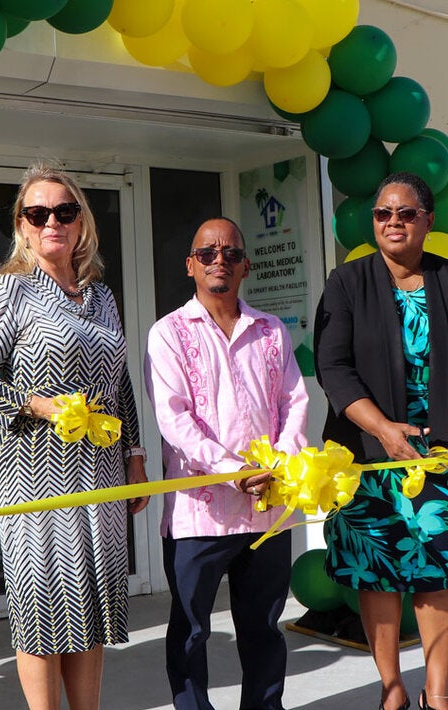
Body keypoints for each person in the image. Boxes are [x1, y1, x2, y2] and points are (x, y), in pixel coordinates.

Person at [0, 162, 148, 710]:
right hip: (36, 477)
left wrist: (134, 455)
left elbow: (121, 383)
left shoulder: (101, 296)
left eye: (64, 212)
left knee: (88, 607)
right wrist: (37, 404)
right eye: (37, 213)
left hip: (102, 471)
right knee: (45, 611)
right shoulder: (9, 291)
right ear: (21, 224)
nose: (51, 223)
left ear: (81, 221)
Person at [315, 172, 448, 710]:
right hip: (369, 454)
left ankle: (436, 691)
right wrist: (382, 430)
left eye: (406, 213)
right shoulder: (346, 282)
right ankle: (391, 689)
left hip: (439, 455)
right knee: (377, 573)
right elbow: (334, 367)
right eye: (382, 214)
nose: (393, 222)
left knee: (437, 571)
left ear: (428, 220)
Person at [144, 218, 310, 710]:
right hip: (200, 512)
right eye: (209, 253)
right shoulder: (168, 332)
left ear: (246, 266)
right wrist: (234, 470)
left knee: (263, 628)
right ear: (191, 265)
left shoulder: (272, 330)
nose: (221, 260)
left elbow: (294, 403)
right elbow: (174, 420)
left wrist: (279, 463)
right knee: (192, 631)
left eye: (232, 253)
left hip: (268, 508)